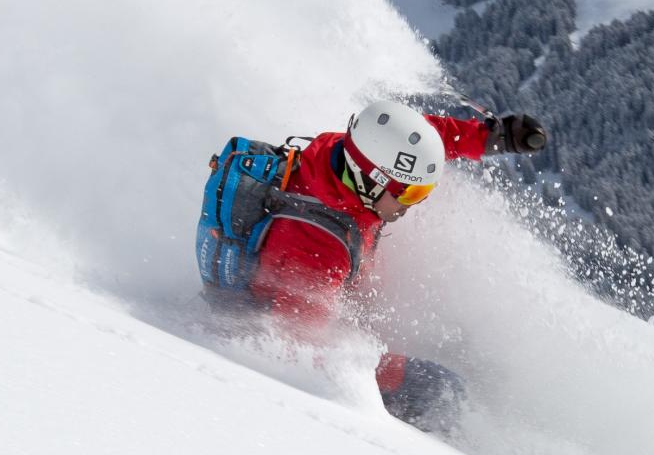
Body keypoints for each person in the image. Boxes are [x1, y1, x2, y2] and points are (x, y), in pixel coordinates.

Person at [218, 96, 545, 430]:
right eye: (410, 194)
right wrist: (392, 371)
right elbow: (298, 350)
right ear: (370, 181)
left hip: (341, 292)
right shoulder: (314, 249)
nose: (411, 206)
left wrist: (495, 138)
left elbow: (428, 140)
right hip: (288, 323)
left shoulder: (349, 158)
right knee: (442, 389)